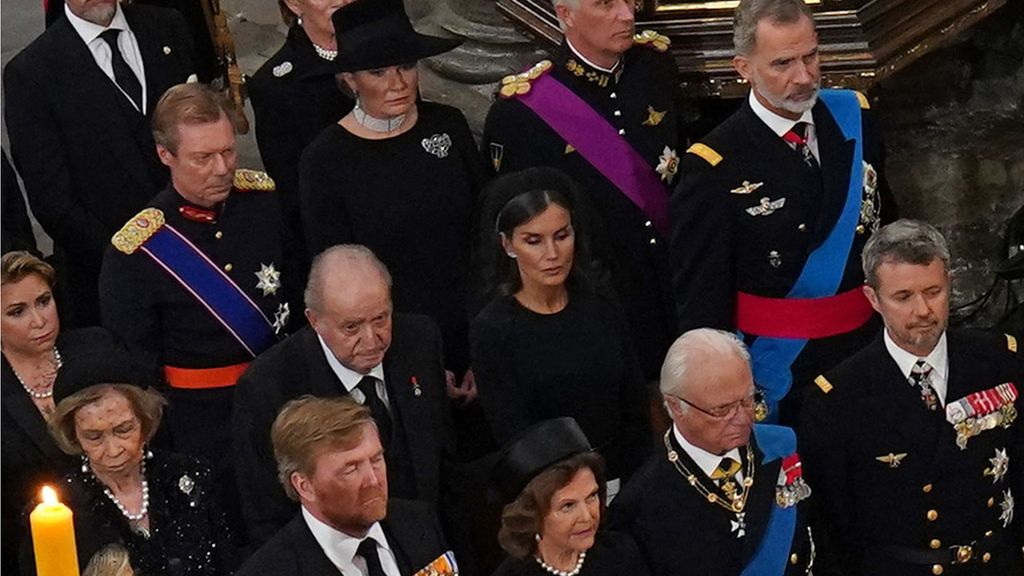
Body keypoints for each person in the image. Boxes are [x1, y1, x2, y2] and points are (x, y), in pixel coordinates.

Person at [670, 0, 899, 424]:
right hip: (782, 370)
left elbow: (887, 228)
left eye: (811, 55)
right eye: (783, 63)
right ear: (743, 67)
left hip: (868, 351)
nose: (805, 76)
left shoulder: (855, 115)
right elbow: (703, 303)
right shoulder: (713, 166)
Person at [99, 83, 290, 531]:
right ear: (165, 155)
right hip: (203, 426)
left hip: (282, 400)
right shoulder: (138, 252)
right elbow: (138, 375)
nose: (222, 169)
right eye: (203, 158)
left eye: (228, 151)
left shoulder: (262, 202)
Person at [800, 220, 1024, 575]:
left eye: (933, 291)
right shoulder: (837, 398)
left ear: (949, 282)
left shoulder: (1000, 359)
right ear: (873, 298)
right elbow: (833, 528)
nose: (922, 311)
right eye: (903, 297)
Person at [483, 0, 683, 381]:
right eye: (606, 4)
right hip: (597, 308)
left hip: (673, 289)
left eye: (630, 1)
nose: (626, 15)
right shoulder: (522, 110)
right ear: (565, 13)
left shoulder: (655, 67)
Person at [300, 0, 484, 380]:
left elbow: (485, 235)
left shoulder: (448, 125)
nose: (398, 83)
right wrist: (413, 359)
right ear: (350, 79)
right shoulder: (325, 161)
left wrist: (486, 344)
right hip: (393, 351)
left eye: (406, 66)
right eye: (378, 71)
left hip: (480, 334)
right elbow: (340, 282)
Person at [232, 245, 457, 546]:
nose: (371, 340)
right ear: (315, 321)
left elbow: (446, 469)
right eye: (351, 327)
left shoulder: (420, 341)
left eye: (381, 319)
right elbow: (267, 517)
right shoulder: (270, 387)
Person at [4, 0, 196, 327]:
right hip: (114, 283)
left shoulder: (167, 26)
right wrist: (128, 260)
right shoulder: (31, 73)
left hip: (203, 251)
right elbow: (54, 203)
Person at [471, 167, 649, 485]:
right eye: (533, 241)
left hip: (625, 479)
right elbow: (515, 435)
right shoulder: (494, 328)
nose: (552, 254)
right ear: (508, 245)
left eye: (561, 236)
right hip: (550, 492)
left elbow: (634, 405)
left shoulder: (601, 303)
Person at [610, 328, 816, 576]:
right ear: (676, 407)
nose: (743, 419)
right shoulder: (640, 505)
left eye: (748, 400)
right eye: (722, 410)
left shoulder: (780, 448)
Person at [35, 351, 236, 575]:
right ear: (73, 435)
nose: (113, 450)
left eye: (123, 430)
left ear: (144, 420)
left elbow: (229, 564)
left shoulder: (191, 476)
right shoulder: (59, 510)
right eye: (94, 436)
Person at [1, 252, 124, 576]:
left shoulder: (95, 348)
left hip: (124, 533)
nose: (39, 320)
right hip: (32, 551)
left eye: (44, 301)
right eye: (17, 312)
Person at [237, 395, 457, 576]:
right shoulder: (270, 571)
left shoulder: (418, 522)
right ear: (304, 486)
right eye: (351, 469)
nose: (373, 480)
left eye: (376, 459)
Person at [248, 0, 356, 297]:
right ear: (294, 3)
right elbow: (296, 200)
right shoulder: (274, 86)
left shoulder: (387, 49)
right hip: (342, 251)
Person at [490, 418, 649, 576]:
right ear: (531, 514)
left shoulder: (621, 554)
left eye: (591, 496)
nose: (587, 517)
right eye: (568, 506)